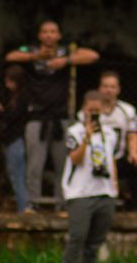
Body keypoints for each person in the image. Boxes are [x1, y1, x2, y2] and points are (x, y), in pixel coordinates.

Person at [6, 20, 100, 210]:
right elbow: (11, 56)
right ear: (40, 36)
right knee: (35, 165)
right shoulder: (30, 50)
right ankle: (32, 205)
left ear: (58, 36)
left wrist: (65, 61)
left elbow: (93, 56)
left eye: (53, 32)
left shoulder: (66, 51)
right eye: (45, 32)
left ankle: (62, 205)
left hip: (61, 117)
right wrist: (36, 56)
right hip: (36, 118)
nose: (49, 35)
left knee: (63, 164)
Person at [59, 90, 118, 263]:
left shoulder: (110, 134)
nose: (93, 114)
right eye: (90, 110)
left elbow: (111, 161)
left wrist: (114, 188)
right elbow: (75, 158)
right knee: (78, 235)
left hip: (105, 191)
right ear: (83, 110)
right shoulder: (74, 132)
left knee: (96, 238)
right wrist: (86, 138)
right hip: (80, 191)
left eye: (97, 111)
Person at [0, 66, 32, 213]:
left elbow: (11, 118)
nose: (7, 84)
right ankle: (23, 206)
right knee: (15, 175)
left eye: (10, 81)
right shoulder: (14, 96)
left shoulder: (23, 97)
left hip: (16, 140)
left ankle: (24, 207)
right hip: (11, 140)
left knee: (17, 175)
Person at [98, 70, 137, 209]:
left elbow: (133, 135)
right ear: (100, 88)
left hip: (119, 158)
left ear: (118, 89)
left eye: (112, 87)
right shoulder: (91, 109)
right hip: (97, 159)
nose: (108, 90)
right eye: (105, 86)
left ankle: (136, 207)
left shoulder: (127, 110)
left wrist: (134, 153)